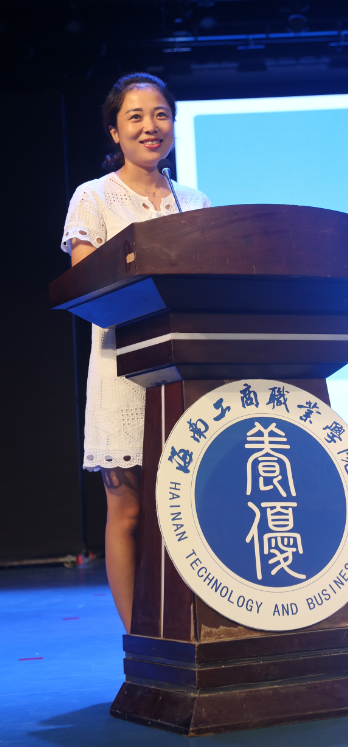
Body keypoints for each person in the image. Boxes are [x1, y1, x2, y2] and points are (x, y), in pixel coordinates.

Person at [61, 73, 212, 633]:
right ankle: (139, 641)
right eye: (136, 116)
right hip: (123, 370)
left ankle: (193, 628)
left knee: (186, 506)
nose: (151, 126)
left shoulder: (195, 202)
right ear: (115, 131)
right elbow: (87, 285)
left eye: (161, 114)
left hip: (186, 369)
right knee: (126, 511)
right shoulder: (94, 197)